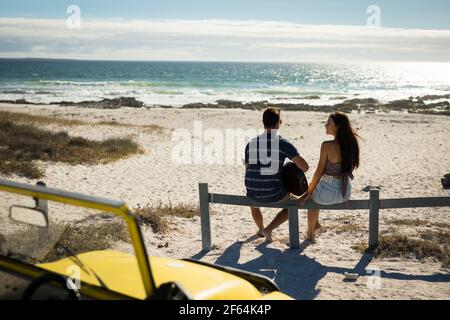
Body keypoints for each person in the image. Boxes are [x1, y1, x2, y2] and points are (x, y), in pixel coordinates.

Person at [244, 107, 309, 243]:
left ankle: (260, 229)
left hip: (252, 192)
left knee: (253, 198)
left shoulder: (251, 143)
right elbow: (305, 167)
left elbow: (248, 168)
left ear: (263, 122)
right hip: (274, 193)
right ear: (279, 122)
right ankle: (267, 229)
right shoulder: (283, 143)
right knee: (293, 204)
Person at [299, 112, 361, 243]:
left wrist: (307, 192)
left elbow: (319, 171)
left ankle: (310, 235)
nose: (325, 125)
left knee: (311, 199)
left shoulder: (327, 145)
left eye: (328, 123)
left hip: (328, 194)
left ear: (337, 127)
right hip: (345, 193)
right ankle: (315, 225)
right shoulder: (351, 143)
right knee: (317, 192)